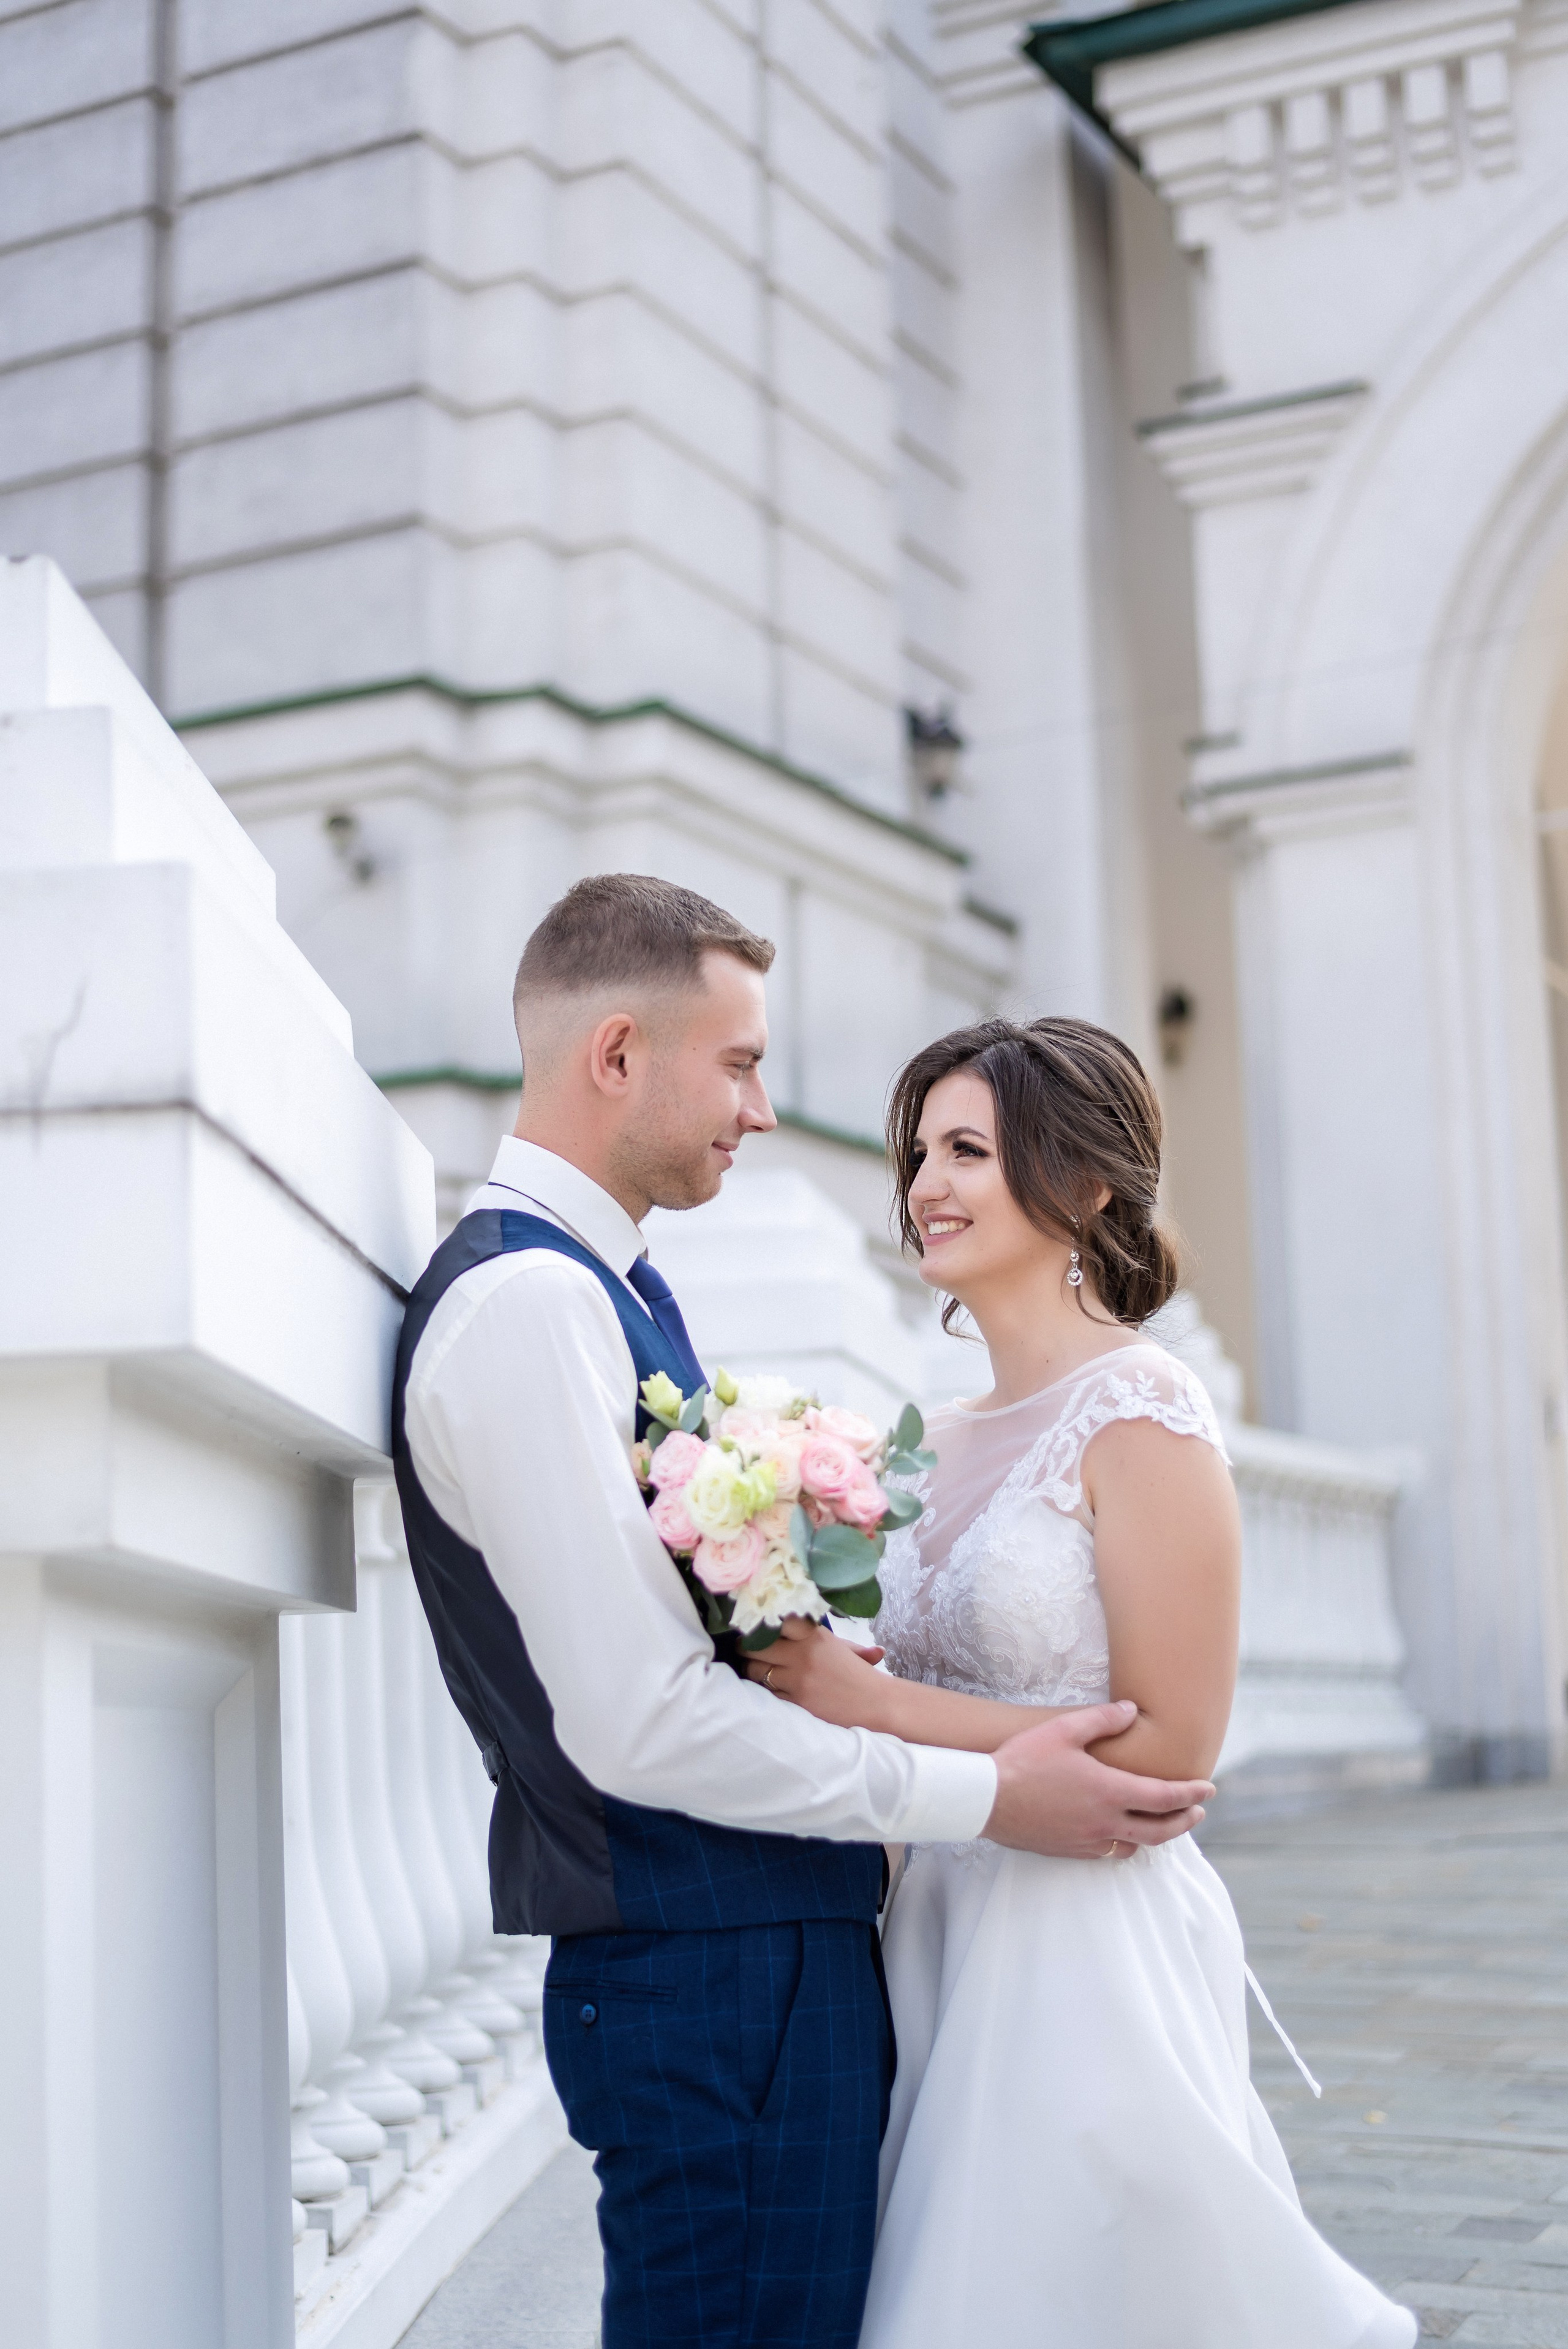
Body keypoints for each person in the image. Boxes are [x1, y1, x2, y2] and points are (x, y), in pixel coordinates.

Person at [391, 879, 1214, 2349]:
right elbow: (639, 1721)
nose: (764, 1111)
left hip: (796, 1962)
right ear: (619, 1052)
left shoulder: (607, 1292)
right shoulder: (530, 1306)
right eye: (742, 1062)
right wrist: (970, 1792)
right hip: (708, 1981)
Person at [748, 1016, 1418, 2349]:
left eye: (967, 1151)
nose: (925, 1184)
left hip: (1085, 1945)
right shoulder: (924, 1440)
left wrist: (866, 1699)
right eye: (919, 1151)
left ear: (1087, 1186)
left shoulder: (1144, 1413)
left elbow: (1170, 1747)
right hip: (931, 1931)